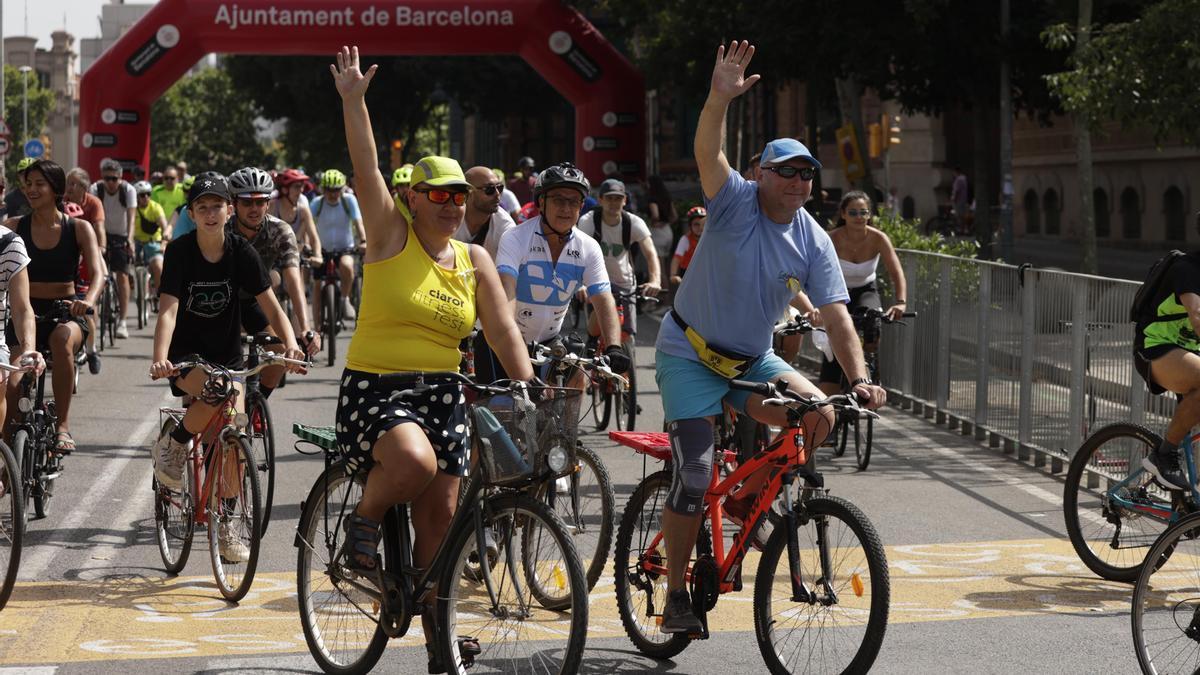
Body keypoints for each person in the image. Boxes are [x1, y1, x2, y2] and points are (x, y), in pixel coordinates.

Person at [654, 41, 886, 634]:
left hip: (749, 359)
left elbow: (837, 317)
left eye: (807, 173)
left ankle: (743, 500)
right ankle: (676, 594)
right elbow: (707, 150)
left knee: (819, 416)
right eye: (786, 171)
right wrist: (719, 97)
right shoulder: (733, 202)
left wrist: (859, 379)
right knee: (695, 475)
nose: (798, 181)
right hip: (688, 354)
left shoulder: (813, 239)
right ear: (761, 173)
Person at [329, 46, 535, 671]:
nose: (450, 203)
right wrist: (354, 101)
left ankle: (436, 634)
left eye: (459, 195)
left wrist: (528, 386)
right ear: (412, 198)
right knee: (413, 463)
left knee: (443, 517)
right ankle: (362, 521)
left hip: (443, 392)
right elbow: (365, 168)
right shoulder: (391, 235)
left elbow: (501, 331)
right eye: (438, 193)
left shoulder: (473, 261)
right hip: (378, 389)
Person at [149, 174, 305, 519]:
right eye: (202, 207)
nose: (210, 214)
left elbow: (271, 305)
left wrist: (292, 345)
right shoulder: (179, 251)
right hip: (186, 356)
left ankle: (228, 520)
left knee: (236, 426)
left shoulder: (241, 251)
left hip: (228, 354)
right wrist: (161, 359)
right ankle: (174, 444)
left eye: (216, 206)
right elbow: (168, 311)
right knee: (216, 391)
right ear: (191, 213)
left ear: (228, 209)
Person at [479, 162, 628, 386]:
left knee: (578, 380)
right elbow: (506, 292)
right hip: (503, 338)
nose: (566, 209)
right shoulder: (516, 237)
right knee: (506, 408)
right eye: (558, 200)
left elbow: (604, 298)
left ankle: (565, 424)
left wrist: (614, 347)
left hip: (549, 342)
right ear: (541, 202)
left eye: (574, 201)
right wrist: (512, 346)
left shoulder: (588, 247)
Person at [4, 160, 104, 455]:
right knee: (12, 379)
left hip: (67, 311)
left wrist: (88, 301)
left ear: (56, 189)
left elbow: (99, 272)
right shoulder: (13, 226)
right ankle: (10, 454)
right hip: (26, 313)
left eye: (39, 184)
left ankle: (62, 426)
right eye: (28, 184)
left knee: (62, 340)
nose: (31, 189)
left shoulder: (79, 228)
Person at [225, 166, 321, 386]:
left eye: (260, 202)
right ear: (234, 204)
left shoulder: (280, 230)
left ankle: (257, 408)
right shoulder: (222, 230)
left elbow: (294, 278)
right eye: (247, 202)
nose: (254, 208)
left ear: (268, 203)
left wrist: (305, 328)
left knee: (280, 357)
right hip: (221, 303)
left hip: (255, 302)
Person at [814, 190, 908, 395]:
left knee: (872, 316)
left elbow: (896, 271)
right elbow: (812, 272)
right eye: (853, 213)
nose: (859, 217)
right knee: (835, 336)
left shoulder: (878, 238)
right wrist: (813, 306)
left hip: (866, 289)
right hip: (836, 293)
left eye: (863, 213)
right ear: (843, 214)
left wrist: (901, 302)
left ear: (869, 215)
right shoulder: (830, 239)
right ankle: (832, 406)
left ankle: (871, 366)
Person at [1135, 213, 1200, 490]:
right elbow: (1197, 316)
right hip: (1156, 348)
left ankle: (1186, 507)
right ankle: (1164, 454)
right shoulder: (1187, 269)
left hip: (1189, 353)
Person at [577, 178, 661, 346]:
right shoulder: (588, 221)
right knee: (594, 335)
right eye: (609, 198)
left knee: (628, 336)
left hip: (624, 282)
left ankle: (629, 368)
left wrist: (655, 280)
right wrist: (580, 283)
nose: (613, 203)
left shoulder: (633, 222)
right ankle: (592, 348)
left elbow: (650, 253)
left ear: (625, 200)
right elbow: (578, 253)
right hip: (595, 281)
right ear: (600, 200)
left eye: (618, 198)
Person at [63, 168, 106, 374]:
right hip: (66, 264)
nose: (69, 187)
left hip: (91, 251)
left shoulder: (93, 203)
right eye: (67, 183)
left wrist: (101, 250)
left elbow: (99, 229)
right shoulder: (60, 202)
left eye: (73, 184)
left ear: (84, 187)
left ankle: (92, 350)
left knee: (88, 307)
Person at [309, 168, 365, 322]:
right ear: (323, 189)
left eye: (336, 190)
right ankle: (316, 327)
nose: (333, 194)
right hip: (322, 250)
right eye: (329, 190)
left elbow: (358, 222)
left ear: (342, 188)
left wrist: (363, 241)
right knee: (317, 284)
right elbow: (308, 226)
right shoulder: (316, 203)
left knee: (347, 266)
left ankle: (345, 299)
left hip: (345, 248)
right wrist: (307, 246)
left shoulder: (349, 200)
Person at [89, 158, 136, 339]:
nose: (110, 182)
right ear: (102, 177)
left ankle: (122, 321)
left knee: (122, 276)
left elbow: (132, 218)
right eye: (107, 178)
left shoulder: (128, 190)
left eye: (114, 179)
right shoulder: (96, 189)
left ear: (121, 178)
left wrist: (130, 239)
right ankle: (97, 316)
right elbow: (92, 216)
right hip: (101, 234)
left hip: (121, 235)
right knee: (97, 275)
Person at [453, 167, 515, 260]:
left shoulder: (505, 226)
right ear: (469, 192)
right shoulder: (450, 217)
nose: (497, 194)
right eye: (489, 189)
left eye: (499, 187)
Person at [132, 180, 169, 295]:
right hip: (136, 243)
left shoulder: (155, 207)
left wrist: (164, 243)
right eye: (142, 195)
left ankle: (159, 294)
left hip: (153, 243)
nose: (146, 197)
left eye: (148, 194)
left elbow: (164, 227)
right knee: (125, 270)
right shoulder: (132, 208)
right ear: (137, 196)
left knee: (159, 267)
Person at [646, 174, 677, 290]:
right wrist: (665, 222)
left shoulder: (652, 199)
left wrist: (654, 222)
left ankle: (665, 296)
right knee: (668, 265)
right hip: (668, 231)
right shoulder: (667, 197)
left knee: (659, 267)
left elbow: (655, 215)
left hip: (657, 233)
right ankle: (671, 293)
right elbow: (674, 216)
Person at [670, 206, 706, 287]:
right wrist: (673, 275)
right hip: (688, 273)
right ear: (690, 226)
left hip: (706, 272)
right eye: (696, 224)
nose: (700, 228)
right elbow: (677, 258)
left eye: (703, 224)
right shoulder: (685, 239)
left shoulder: (710, 239)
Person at [951, 166, 969, 235]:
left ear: (956, 172)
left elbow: (957, 191)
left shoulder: (959, 179)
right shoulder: (964, 178)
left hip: (958, 200)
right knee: (962, 215)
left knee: (958, 215)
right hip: (963, 199)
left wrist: (954, 199)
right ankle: (964, 229)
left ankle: (960, 229)